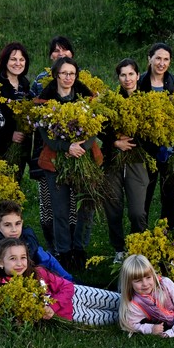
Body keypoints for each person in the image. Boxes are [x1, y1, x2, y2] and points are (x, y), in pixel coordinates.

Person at [36, 57, 99, 270]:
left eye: (72, 73)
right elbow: (46, 136)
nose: (68, 77)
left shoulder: (86, 98)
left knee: (86, 206)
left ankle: (80, 249)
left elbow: (94, 129)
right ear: (56, 75)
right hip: (55, 161)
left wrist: (81, 146)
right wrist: (66, 148)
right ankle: (63, 252)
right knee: (60, 210)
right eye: (64, 73)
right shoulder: (45, 102)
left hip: (83, 157)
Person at [0, 238, 120, 326]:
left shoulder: (38, 273)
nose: (19, 263)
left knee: (121, 300)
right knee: (120, 317)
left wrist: (53, 306)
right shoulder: (0, 291)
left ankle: (141, 299)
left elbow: (67, 286)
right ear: (0, 263)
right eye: (12, 259)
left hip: (78, 294)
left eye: (23, 257)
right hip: (73, 314)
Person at [0, 200, 72, 299]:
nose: (14, 230)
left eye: (17, 224)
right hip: (4, 286)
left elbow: (48, 261)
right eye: (7, 225)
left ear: (22, 222)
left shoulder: (28, 239)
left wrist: (70, 280)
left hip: (32, 281)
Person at [30, 36, 76, 254]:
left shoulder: (81, 81)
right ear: (50, 56)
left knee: (73, 204)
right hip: (47, 148)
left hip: (77, 151)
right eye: (56, 51)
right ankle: (54, 247)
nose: (61, 54)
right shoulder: (41, 81)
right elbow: (35, 115)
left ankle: (72, 249)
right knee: (49, 202)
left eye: (65, 50)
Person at [101, 59, 150, 264]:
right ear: (118, 78)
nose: (127, 79)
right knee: (113, 206)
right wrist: (115, 141)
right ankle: (119, 249)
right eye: (123, 75)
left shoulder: (147, 101)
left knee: (137, 211)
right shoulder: (110, 101)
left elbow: (152, 133)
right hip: (112, 160)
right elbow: (100, 128)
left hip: (137, 160)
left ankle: (138, 246)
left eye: (131, 74)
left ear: (138, 76)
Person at [137, 43, 174, 229]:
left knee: (170, 194)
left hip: (170, 148)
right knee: (144, 195)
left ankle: (167, 233)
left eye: (166, 59)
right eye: (158, 58)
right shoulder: (139, 83)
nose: (161, 63)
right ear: (149, 59)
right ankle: (142, 234)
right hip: (146, 149)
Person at [0, 42, 32, 178]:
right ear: (5, 61)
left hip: (20, 146)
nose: (17, 63)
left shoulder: (25, 84)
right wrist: (9, 134)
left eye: (21, 59)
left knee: (16, 181)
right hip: (0, 145)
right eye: (13, 59)